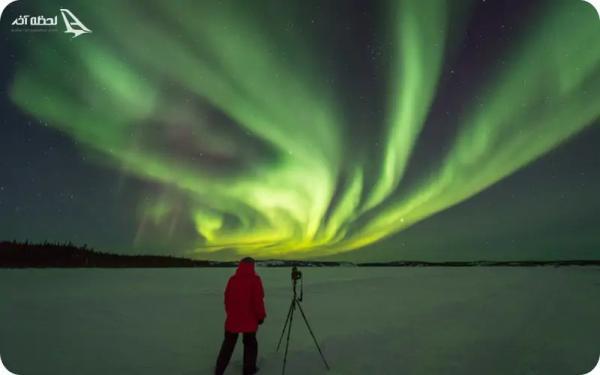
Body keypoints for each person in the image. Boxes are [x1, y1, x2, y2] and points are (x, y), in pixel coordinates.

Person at [215, 257, 266, 375]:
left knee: (228, 345)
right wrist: (260, 316)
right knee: (250, 344)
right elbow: (258, 301)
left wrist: (230, 313)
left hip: (233, 320)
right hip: (249, 320)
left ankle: (219, 370)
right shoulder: (255, 280)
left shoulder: (232, 280)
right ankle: (249, 370)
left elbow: (227, 299)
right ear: (252, 266)